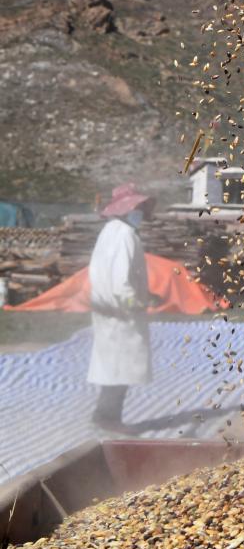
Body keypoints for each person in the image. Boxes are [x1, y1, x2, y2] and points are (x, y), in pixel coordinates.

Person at [88, 183, 156, 429]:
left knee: (112, 363)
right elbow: (120, 278)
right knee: (122, 364)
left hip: (106, 307)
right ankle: (107, 418)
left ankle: (105, 416)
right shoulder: (126, 235)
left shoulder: (108, 231)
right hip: (121, 309)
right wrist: (133, 302)